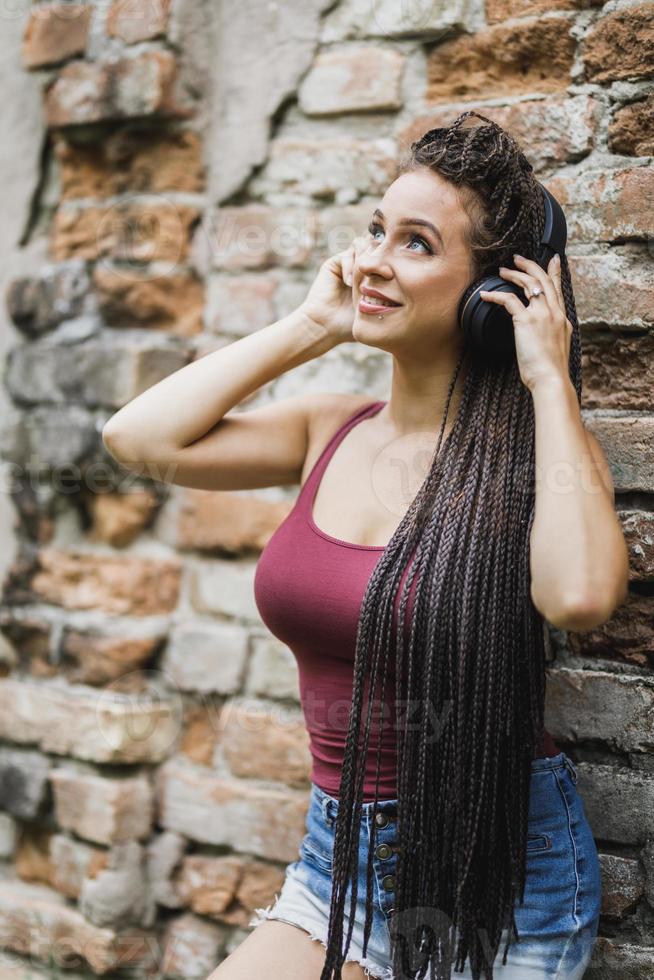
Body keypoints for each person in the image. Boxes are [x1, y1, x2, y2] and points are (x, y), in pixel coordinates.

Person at [102, 111, 629, 979]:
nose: (375, 258)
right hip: (337, 861)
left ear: (485, 296)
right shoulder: (327, 430)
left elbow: (578, 598)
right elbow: (138, 439)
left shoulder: (538, 460)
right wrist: (315, 326)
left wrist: (545, 378)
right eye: (377, 228)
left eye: (417, 244)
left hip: (499, 877)